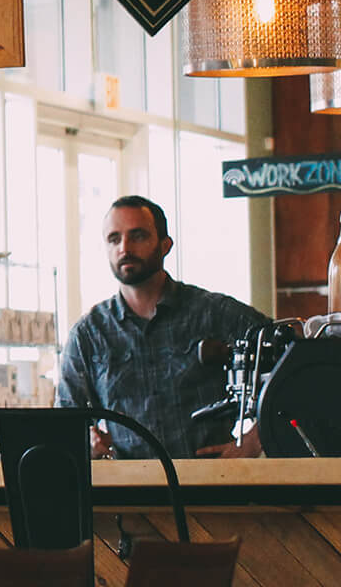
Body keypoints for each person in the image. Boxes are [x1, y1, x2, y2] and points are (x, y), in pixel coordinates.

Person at [56, 195, 268, 459]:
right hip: (130, 483)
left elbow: (297, 368)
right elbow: (63, 424)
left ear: (165, 245)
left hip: (212, 479)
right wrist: (85, 442)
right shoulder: (88, 334)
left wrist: (255, 440)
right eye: (114, 239)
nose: (124, 248)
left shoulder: (214, 313)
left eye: (138, 236)